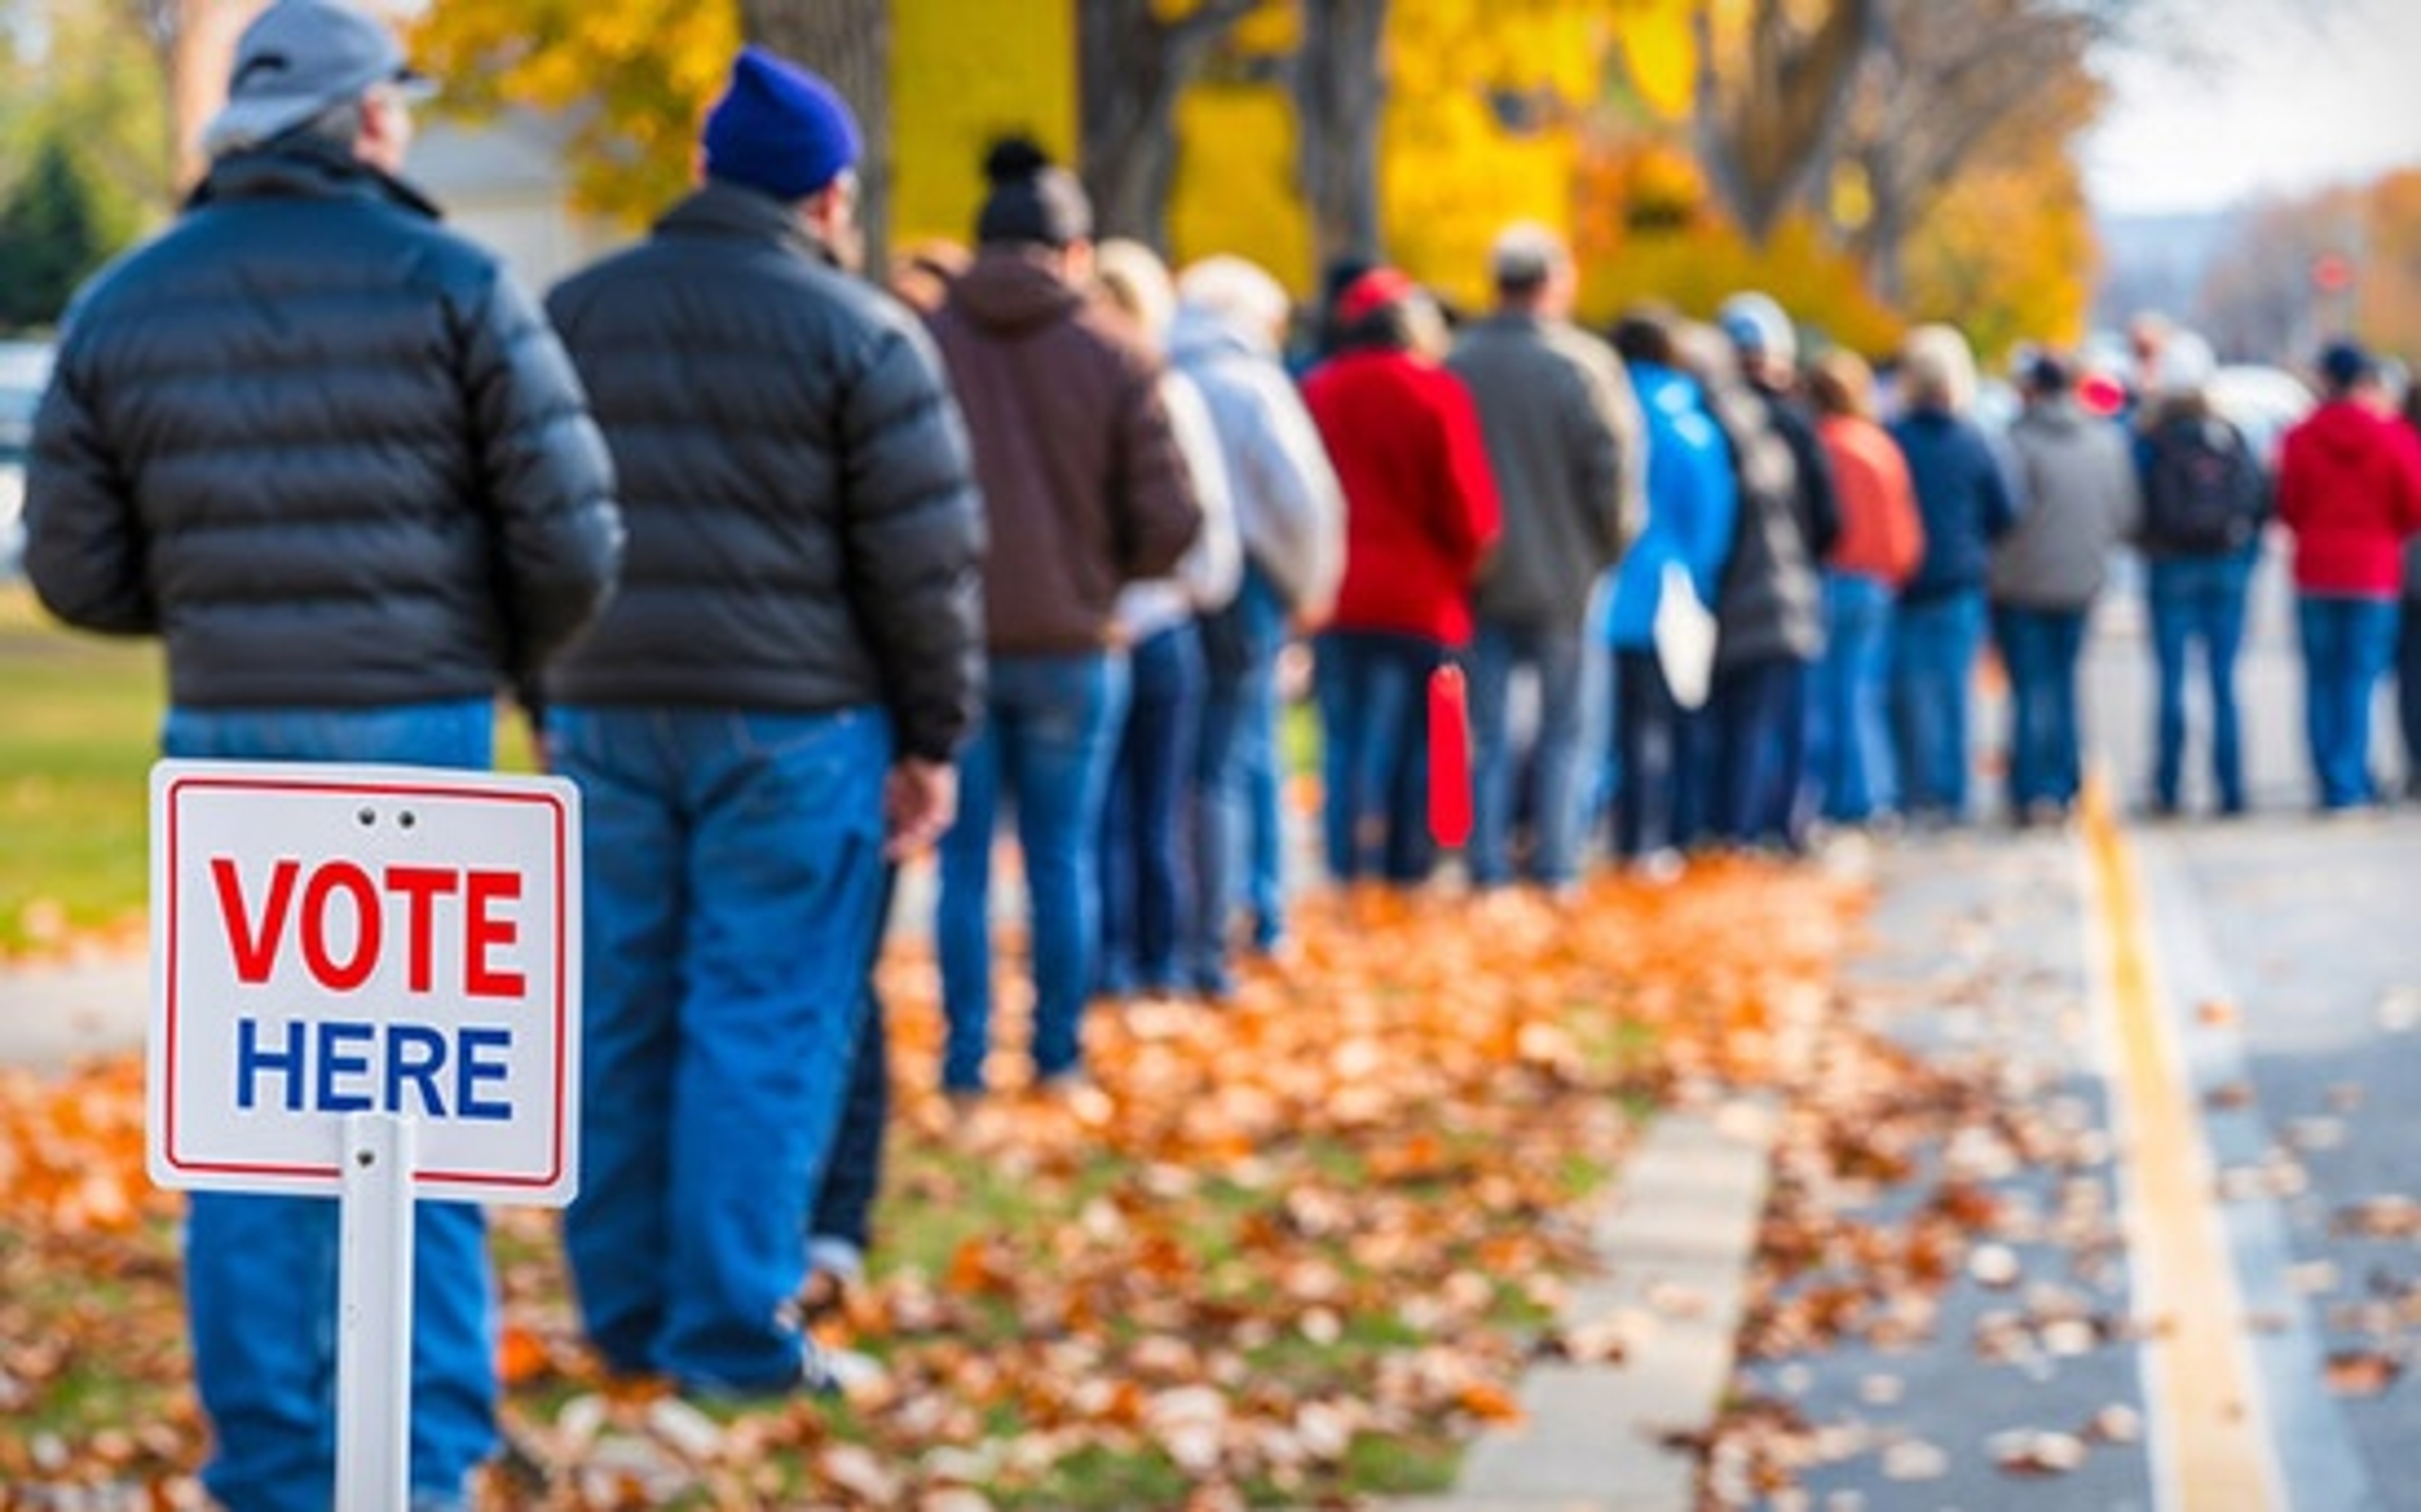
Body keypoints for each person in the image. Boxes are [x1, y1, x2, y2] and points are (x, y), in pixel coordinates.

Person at [23, 1, 622, 1504]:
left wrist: (219, 609)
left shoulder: (127, 302)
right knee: (428, 1092)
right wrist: (489, 646)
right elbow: (571, 538)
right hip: (419, 730)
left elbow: (76, 564)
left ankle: (278, 1451)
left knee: (251, 1105)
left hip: (230, 729)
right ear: (366, 123)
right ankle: (424, 1448)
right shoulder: (456, 281)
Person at [542, 45, 982, 1394]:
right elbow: (923, 561)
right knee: (766, 1017)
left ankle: (625, 1308)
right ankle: (730, 1329)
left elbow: (525, 527)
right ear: (833, 198)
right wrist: (932, 737)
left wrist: (544, 692)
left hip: (608, 705)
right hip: (794, 723)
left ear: (701, 172)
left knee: (615, 1013)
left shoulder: (574, 312)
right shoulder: (861, 334)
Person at [926, 139, 1200, 1095]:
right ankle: (1057, 1054)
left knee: (960, 864)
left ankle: (962, 1061)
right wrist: (1107, 581)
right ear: (1076, 251)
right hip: (1076, 644)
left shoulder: (927, 340)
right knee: (1060, 854)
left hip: (954, 640)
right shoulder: (1115, 351)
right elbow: (1174, 516)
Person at [1446, 224, 1641, 891]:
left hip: (1481, 577)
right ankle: (1558, 862)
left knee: (1486, 733)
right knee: (1566, 731)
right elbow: (1613, 474)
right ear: (1553, 283)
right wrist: (1605, 551)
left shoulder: (1456, 362)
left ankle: (1486, 864)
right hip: (1566, 577)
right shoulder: (1582, 366)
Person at [1168, 256, 1345, 988]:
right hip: (1249, 583)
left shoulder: (1165, 372)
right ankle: (1256, 908)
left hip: (1176, 588)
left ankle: (1197, 911)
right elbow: (1302, 500)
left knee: (1193, 756)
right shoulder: (1253, 384)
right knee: (1243, 750)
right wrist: (1312, 585)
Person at [1301, 267, 1502, 886]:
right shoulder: (1435, 391)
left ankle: (1343, 859)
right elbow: (1470, 506)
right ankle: (1409, 862)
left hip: (1340, 592)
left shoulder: (1318, 390)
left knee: (1344, 736)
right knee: (1425, 738)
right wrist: (1466, 566)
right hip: (1423, 596)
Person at [1091, 239, 1242, 1001]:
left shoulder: (1065, 385)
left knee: (1104, 812)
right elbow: (1206, 527)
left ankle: (1109, 958)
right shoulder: (1164, 390)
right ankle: (1165, 958)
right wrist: (1178, 591)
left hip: (1087, 621)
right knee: (1160, 806)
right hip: (1159, 622)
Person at [1599, 309, 1738, 871]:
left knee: (1606, 722)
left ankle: (1611, 829)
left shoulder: (1605, 409)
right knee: (1659, 723)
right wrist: (1700, 575)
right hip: (1671, 593)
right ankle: (1653, 834)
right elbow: (1712, 515)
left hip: (1606, 590)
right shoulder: (1689, 424)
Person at [1989, 350, 2141, 824]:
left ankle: (2031, 788)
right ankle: (2067, 782)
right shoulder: (2105, 442)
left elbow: (1999, 513)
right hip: (2081, 581)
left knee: (2029, 688)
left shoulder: (2014, 443)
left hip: (2020, 583)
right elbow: (2124, 513)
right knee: (2066, 683)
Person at [1709, 292, 1837, 851]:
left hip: (1724, 590)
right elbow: (1827, 515)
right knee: (1784, 720)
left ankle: (1735, 825)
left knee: (1732, 722)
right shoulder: (1794, 424)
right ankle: (1782, 824)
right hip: (1784, 588)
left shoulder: (1713, 417)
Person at [2273, 340, 2421, 811]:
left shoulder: (2299, 438)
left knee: (2320, 679)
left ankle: (2327, 775)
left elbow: (2289, 504)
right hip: (2374, 571)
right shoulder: (2391, 435)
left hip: (2316, 568)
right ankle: (2350, 780)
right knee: (2359, 680)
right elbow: (2414, 503)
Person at [2130, 330, 2267, 817]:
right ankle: (2231, 789)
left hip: (2170, 567)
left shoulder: (2152, 438)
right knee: (2224, 682)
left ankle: (2169, 787)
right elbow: (2257, 498)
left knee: (2170, 681)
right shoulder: (2230, 435)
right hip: (2226, 566)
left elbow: (2135, 504)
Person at [1886, 322, 2017, 826]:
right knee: (1955, 693)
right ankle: (1955, 795)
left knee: (1911, 694)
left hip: (1907, 583)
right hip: (1959, 581)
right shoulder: (1974, 440)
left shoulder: (1893, 438)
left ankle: (1916, 792)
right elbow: (2005, 510)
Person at [1804, 349, 1922, 828]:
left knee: (1828, 695)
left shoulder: (1821, 445)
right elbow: (1903, 523)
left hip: (1833, 576)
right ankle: (1873, 791)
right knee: (1864, 692)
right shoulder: (1879, 446)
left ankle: (1838, 796)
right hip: (1877, 581)